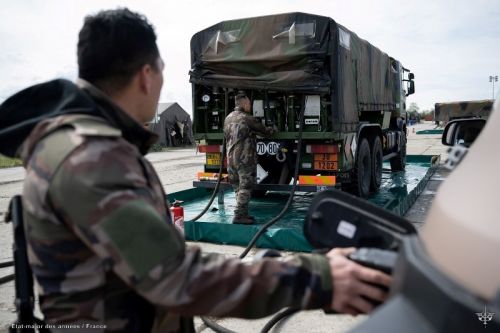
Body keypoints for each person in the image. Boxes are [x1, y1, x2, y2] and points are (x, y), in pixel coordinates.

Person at [0, 8, 391, 333]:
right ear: (146, 75)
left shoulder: (79, 144)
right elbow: (175, 276)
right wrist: (318, 277)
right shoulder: (90, 157)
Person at [224, 93, 274, 224]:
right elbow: (265, 131)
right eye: (249, 104)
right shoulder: (247, 118)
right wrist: (272, 128)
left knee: (237, 187)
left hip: (230, 159)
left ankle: (242, 213)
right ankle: (239, 216)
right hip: (244, 159)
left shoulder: (228, 118)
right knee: (245, 186)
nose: (250, 106)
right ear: (245, 104)